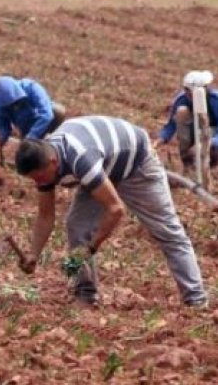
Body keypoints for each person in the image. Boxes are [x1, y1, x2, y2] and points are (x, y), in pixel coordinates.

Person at [14, 116, 207, 308]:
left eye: (39, 177)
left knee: (168, 231)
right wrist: (34, 254)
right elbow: (45, 215)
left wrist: (90, 248)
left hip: (137, 164)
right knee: (77, 226)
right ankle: (86, 293)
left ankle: (195, 298)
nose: (38, 182)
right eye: (33, 179)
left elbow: (115, 209)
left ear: (53, 161)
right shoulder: (45, 165)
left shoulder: (81, 159)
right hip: (104, 164)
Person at [154, 70, 218, 171]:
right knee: (181, 112)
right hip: (195, 132)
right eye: (186, 90)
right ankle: (187, 161)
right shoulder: (181, 99)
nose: (188, 93)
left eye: (191, 91)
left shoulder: (215, 100)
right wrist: (159, 141)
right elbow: (171, 125)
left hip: (213, 136)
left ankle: (208, 166)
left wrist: (208, 144)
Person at [0, 76, 66, 148]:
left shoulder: (31, 87)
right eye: (11, 105)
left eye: (16, 102)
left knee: (58, 111)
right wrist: (1, 138)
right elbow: (4, 126)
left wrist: (31, 136)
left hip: (43, 122)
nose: (15, 106)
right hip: (26, 128)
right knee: (29, 153)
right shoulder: (1, 105)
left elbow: (46, 114)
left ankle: (55, 138)